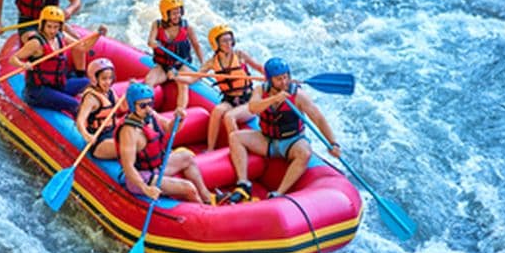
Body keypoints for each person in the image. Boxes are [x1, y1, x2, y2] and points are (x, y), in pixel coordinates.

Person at [225, 57, 342, 202]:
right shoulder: (260, 90)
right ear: (269, 80)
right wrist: (273, 99)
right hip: (267, 139)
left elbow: (318, 118)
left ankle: (279, 193)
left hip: (291, 142)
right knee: (235, 137)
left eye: (286, 77)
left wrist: (333, 142)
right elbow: (253, 108)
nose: (284, 82)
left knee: (305, 152)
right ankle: (243, 184)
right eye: (279, 79)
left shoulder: (299, 96)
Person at [116, 82, 212, 204]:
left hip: (156, 166)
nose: (148, 108)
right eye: (143, 105)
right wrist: (146, 189)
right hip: (142, 177)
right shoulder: (128, 132)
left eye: (150, 103)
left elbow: (170, 128)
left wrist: (179, 119)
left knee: (188, 158)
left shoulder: (150, 114)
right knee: (189, 188)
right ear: (132, 106)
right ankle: (202, 212)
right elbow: (128, 167)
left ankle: (207, 197)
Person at [8, 6, 100, 113]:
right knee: (75, 104)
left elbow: (84, 47)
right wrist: (23, 65)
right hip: (38, 91)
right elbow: (13, 59)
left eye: (56, 27)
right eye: (49, 26)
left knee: (87, 82)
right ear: (42, 25)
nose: (52, 30)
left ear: (60, 26)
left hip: (57, 85)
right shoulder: (36, 43)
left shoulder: (61, 36)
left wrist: (98, 35)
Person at [199, 24, 264, 151]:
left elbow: (259, 68)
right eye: (224, 41)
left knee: (229, 117)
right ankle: (211, 148)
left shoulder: (239, 55)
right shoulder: (212, 62)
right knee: (217, 111)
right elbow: (193, 77)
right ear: (216, 44)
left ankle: (237, 150)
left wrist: (271, 76)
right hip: (230, 100)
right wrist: (177, 77)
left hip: (248, 100)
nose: (229, 43)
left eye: (230, 40)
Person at [145, 0, 204, 110]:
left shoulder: (187, 27)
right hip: (163, 66)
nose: (177, 16)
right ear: (165, 14)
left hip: (181, 64)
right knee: (149, 81)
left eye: (179, 12)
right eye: (173, 13)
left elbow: (196, 46)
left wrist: (202, 66)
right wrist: (153, 43)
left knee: (183, 85)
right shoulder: (157, 25)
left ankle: (180, 112)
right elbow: (150, 41)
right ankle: (147, 110)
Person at [75, 58, 124, 159]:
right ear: (94, 79)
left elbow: (123, 108)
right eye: (104, 79)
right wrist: (87, 135)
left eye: (110, 78)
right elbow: (80, 120)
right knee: (129, 147)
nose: (108, 82)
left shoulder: (110, 92)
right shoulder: (91, 98)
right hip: (99, 140)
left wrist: (130, 95)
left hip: (112, 131)